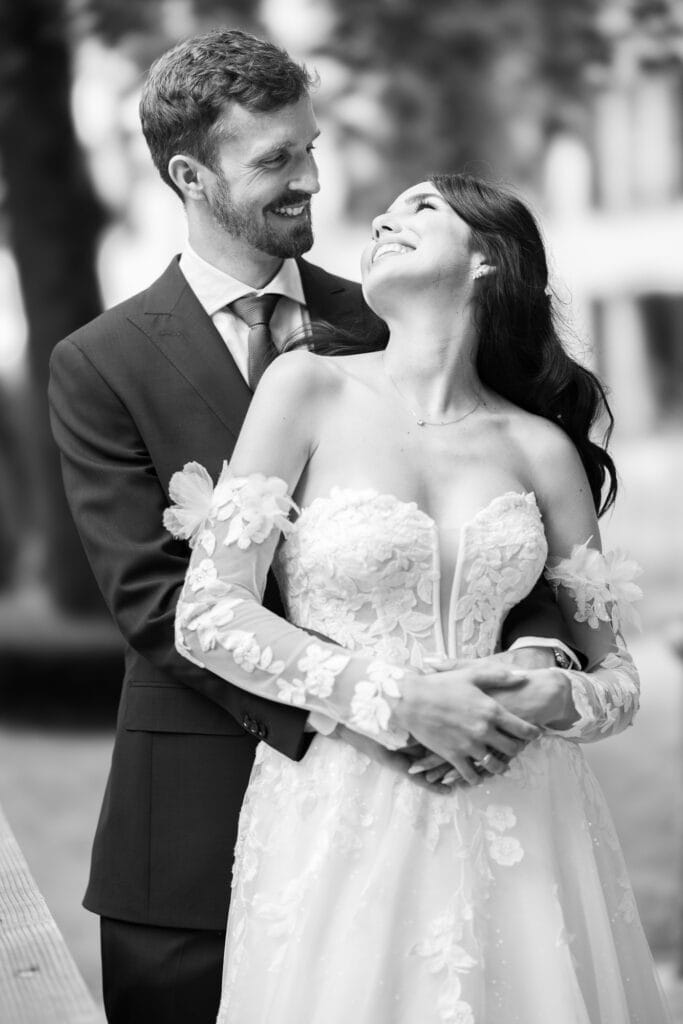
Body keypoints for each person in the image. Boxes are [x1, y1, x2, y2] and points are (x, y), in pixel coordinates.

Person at [47, 30, 576, 1024]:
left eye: (310, 147)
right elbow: (157, 601)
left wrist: (528, 657)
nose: (311, 181)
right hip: (194, 826)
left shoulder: (391, 314)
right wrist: (389, 704)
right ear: (189, 175)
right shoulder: (99, 361)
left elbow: (511, 527)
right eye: (275, 160)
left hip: (422, 813)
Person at [167, 173, 672, 1022]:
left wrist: (562, 693)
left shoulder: (542, 448)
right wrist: (401, 701)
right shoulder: (305, 389)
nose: (383, 218)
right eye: (386, 211)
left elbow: (614, 674)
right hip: (341, 806)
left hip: (525, 810)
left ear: (486, 259)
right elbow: (208, 615)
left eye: (421, 208)